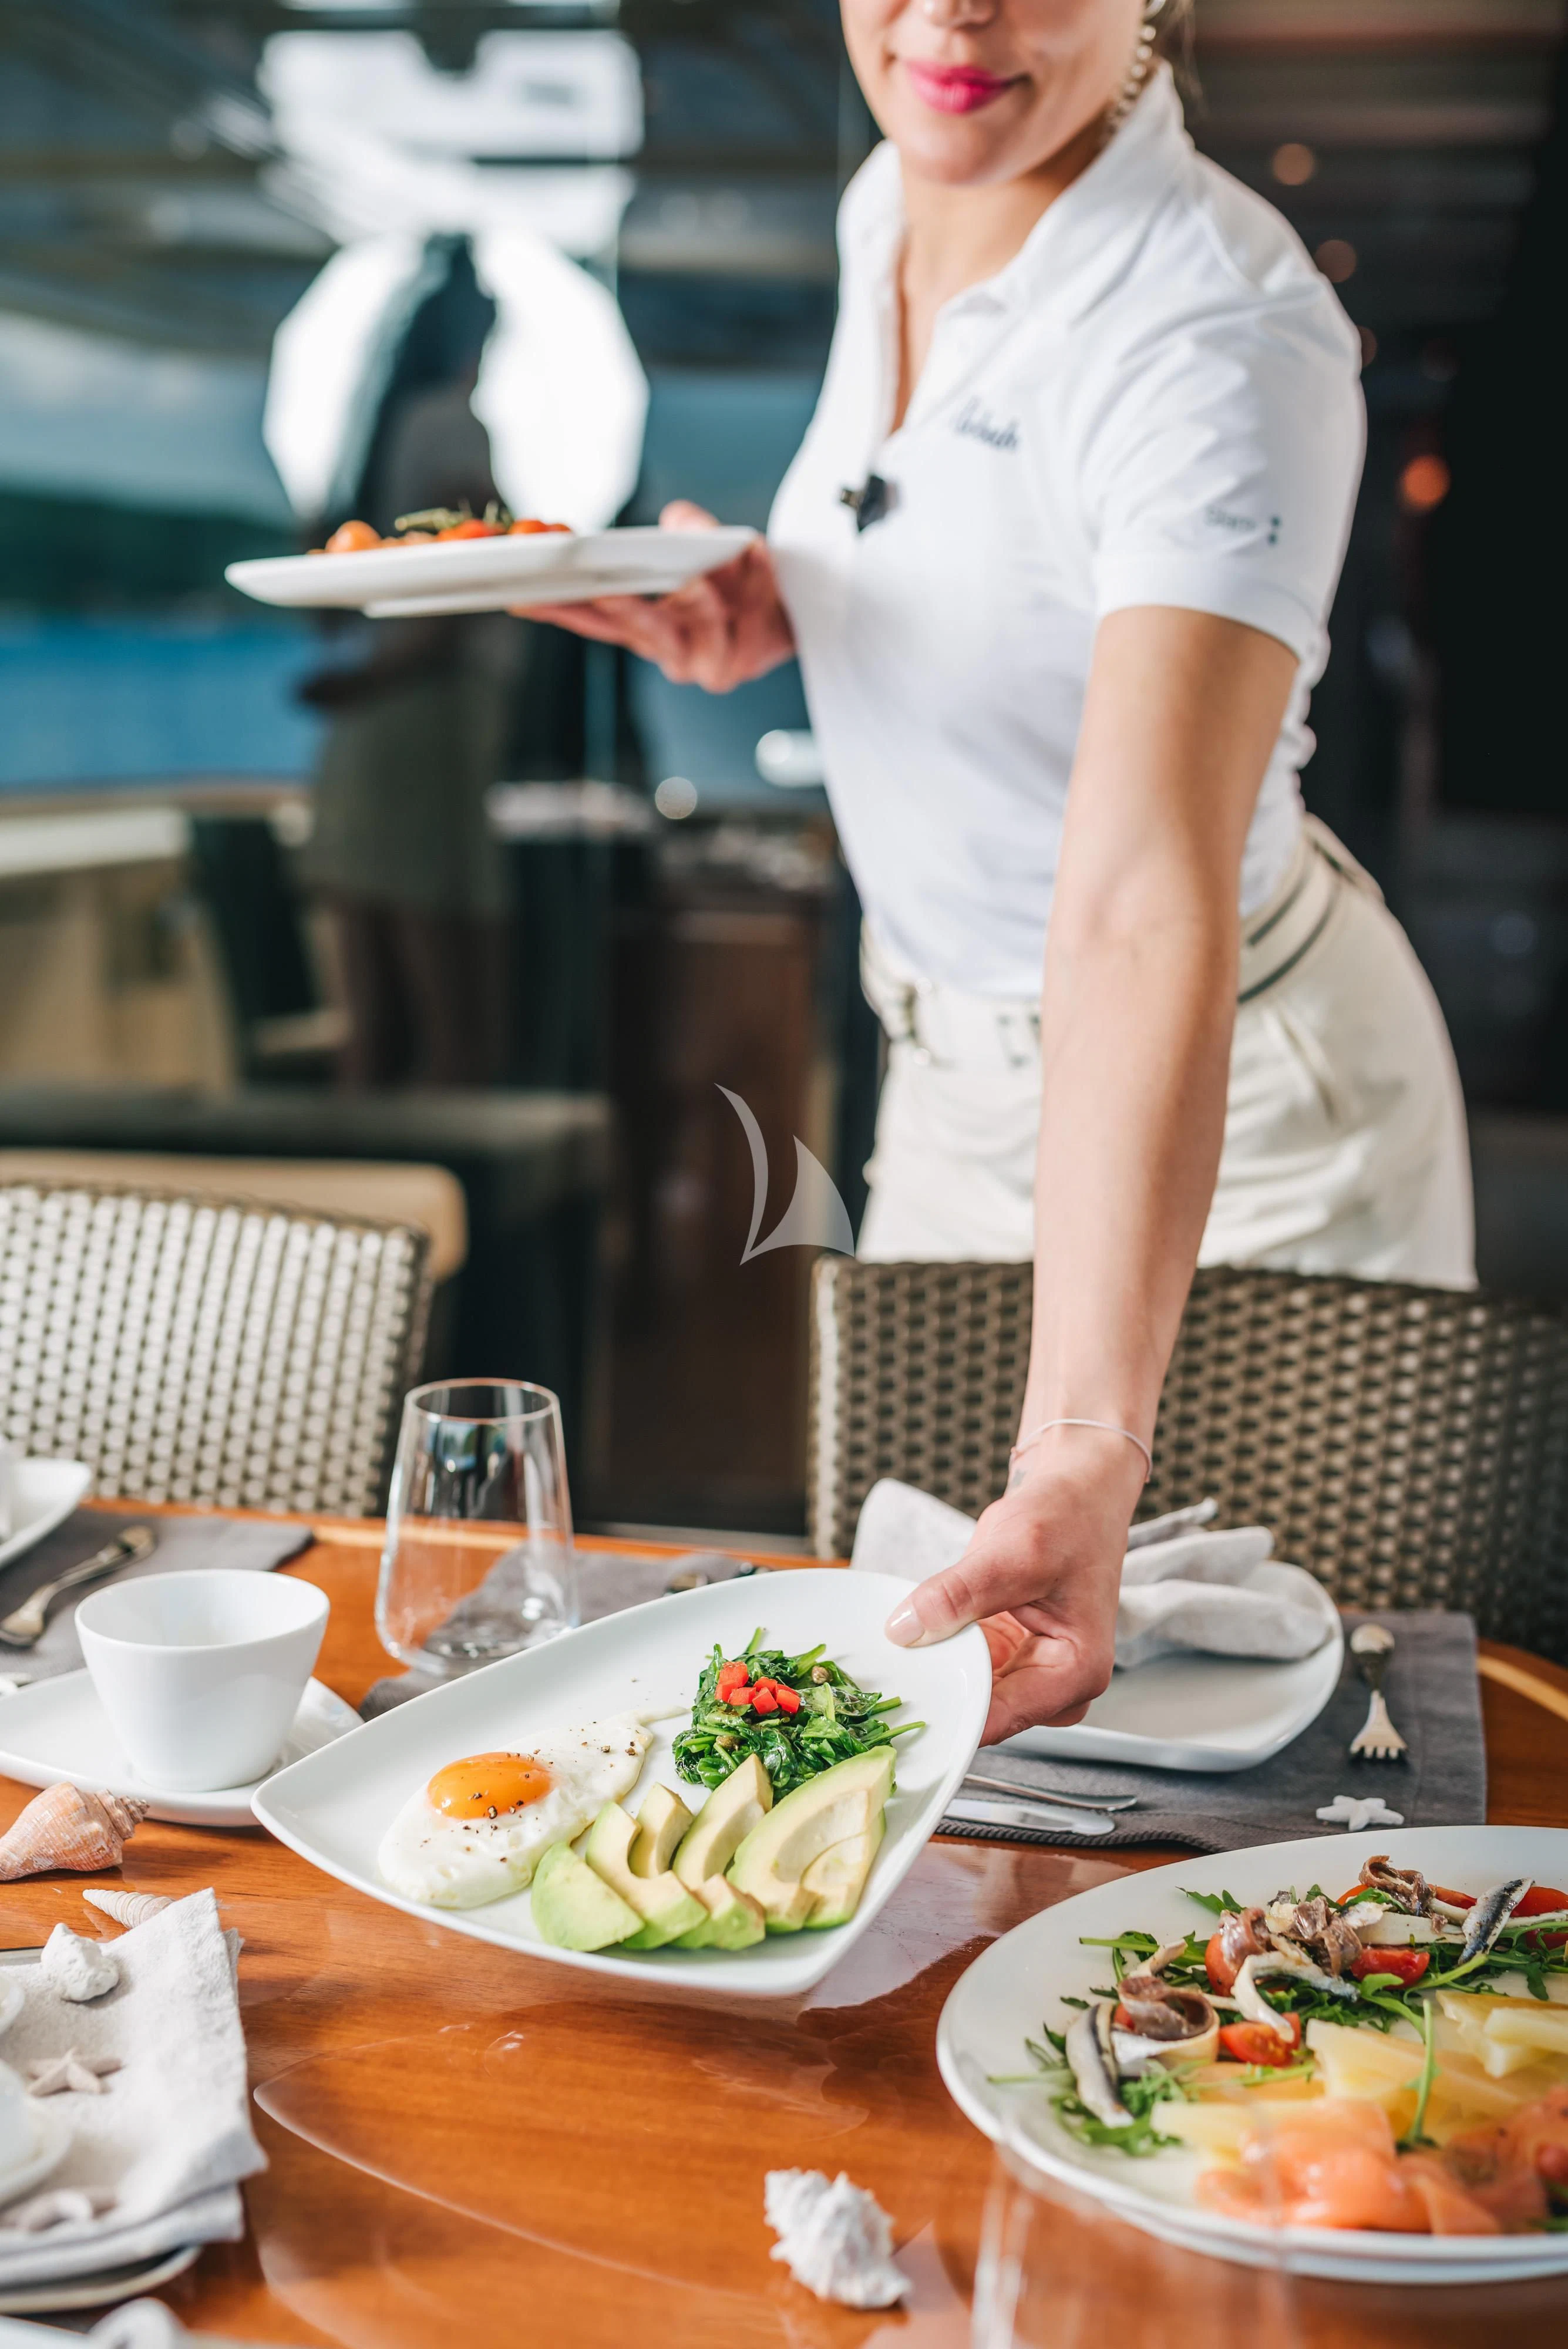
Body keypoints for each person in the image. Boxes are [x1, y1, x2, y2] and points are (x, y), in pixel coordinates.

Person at [528, 0, 1475, 1744]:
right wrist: (768, 602)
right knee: (917, 1691)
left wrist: (1085, 1439)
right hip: (956, 1078)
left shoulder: (1216, 326)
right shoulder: (900, 184)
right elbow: (959, 553)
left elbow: (1134, 900)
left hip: (1234, 1095)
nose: (951, 10)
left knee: (1288, 1752)